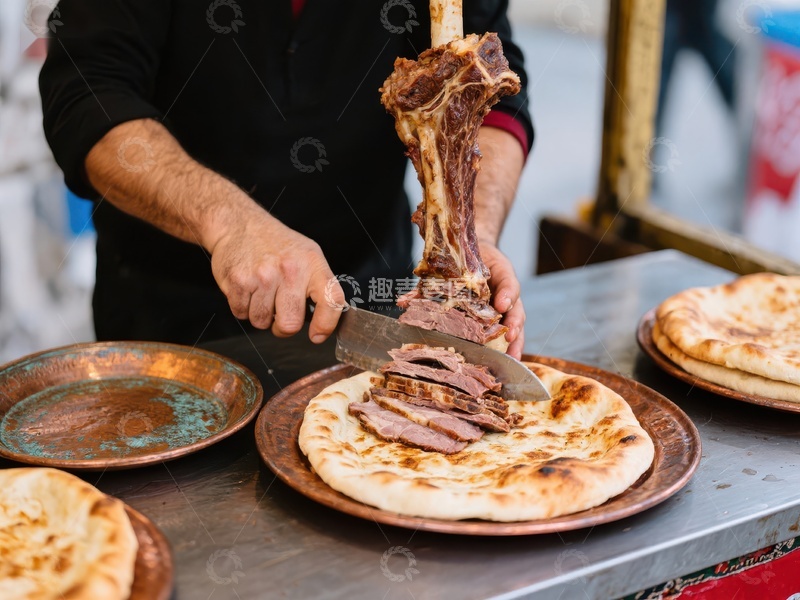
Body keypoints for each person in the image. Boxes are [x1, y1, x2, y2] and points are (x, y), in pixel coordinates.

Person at [38, 0, 533, 358]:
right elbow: (89, 93)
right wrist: (229, 223)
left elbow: (493, 90)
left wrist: (469, 240)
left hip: (373, 301)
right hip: (171, 319)